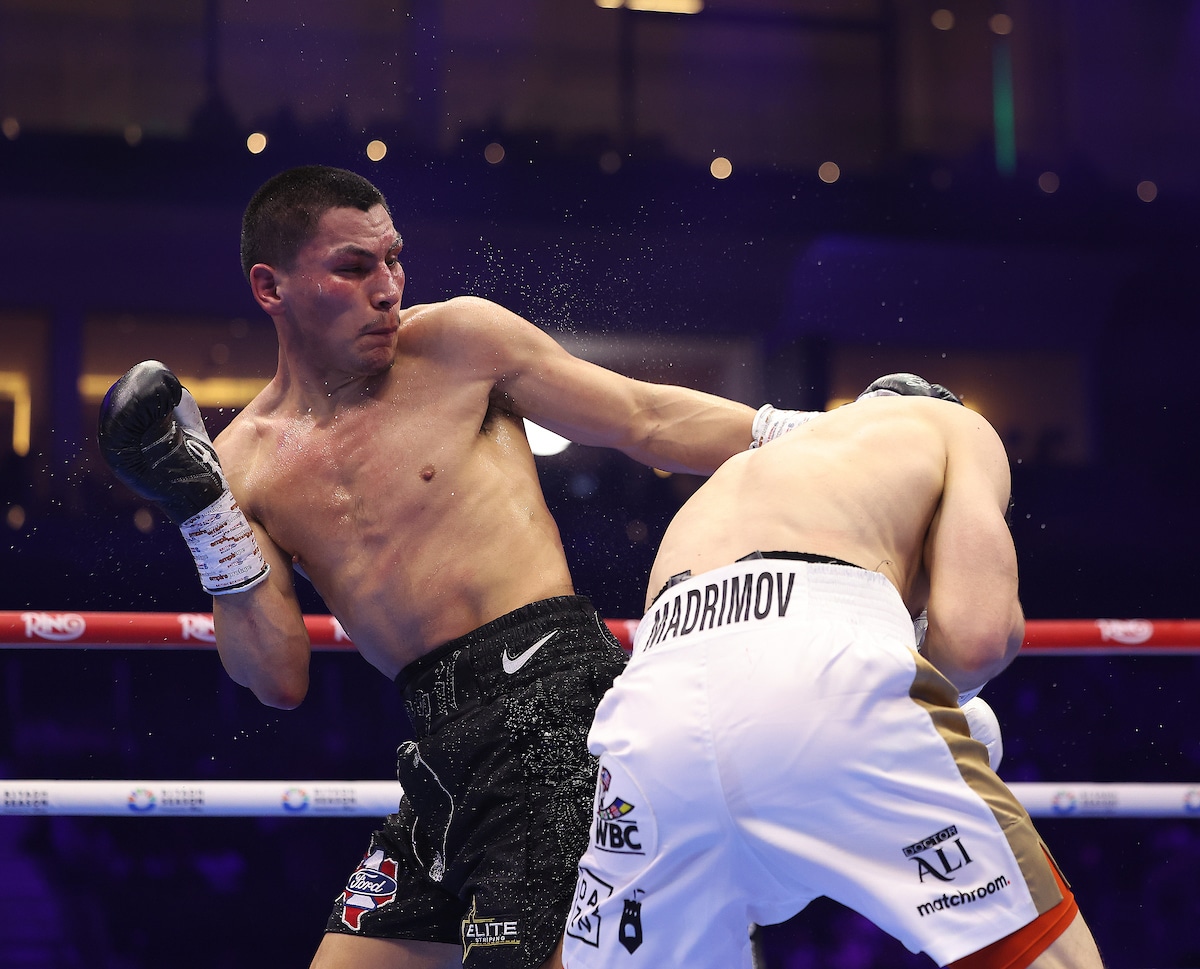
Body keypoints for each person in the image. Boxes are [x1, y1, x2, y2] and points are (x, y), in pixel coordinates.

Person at [96, 164, 757, 969]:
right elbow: (277, 676)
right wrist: (203, 514)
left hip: (557, 712)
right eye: (353, 266)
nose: (388, 288)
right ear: (270, 286)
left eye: (394, 260)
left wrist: (833, 433)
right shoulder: (240, 466)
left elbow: (647, 417)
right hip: (442, 753)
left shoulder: (459, 344)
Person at [562, 375, 1106, 969]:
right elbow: (979, 637)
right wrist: (947, 703)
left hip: (651, 712)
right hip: (827, 676)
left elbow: (735, 710)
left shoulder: (747, 467)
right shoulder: (951, 426)